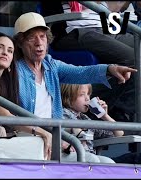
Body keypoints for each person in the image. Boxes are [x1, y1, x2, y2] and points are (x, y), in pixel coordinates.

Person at [13, 12, 137, 161]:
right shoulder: (15, 71)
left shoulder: (50, 65)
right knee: (93, 161)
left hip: (56, 140)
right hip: (30, 140)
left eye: (43, 36)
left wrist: (110, 69)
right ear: (20, 42)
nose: (39, 43)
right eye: (32, 37)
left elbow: (81, 72)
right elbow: (14, 118)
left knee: (107, 162)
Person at [40, 1, 137, 123]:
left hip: (106, 28)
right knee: (134, 58)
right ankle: (99, 106)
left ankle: (119, 107)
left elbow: (115, 7)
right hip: (76, 30)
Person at [60, 83, 124, 163]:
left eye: (88, 94)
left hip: (87, 155)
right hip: (67, 154)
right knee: (92, 159)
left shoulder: (84, 118)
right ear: (68, 97)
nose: (87, 99)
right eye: (82, 95)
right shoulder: (62, 113)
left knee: (109, 162)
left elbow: (118, 133)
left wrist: (104, 116)